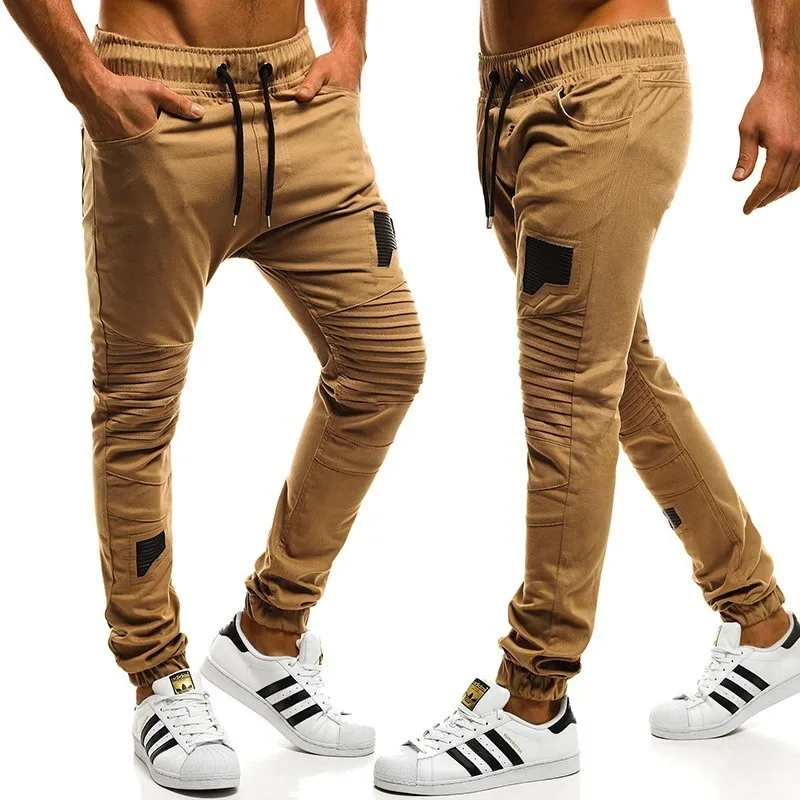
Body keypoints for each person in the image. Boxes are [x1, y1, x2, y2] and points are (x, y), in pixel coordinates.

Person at [375, 0, 800, 794]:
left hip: (600, 91)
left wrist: (784, 74)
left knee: (567, 393)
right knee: (620, 380)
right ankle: (762, 623)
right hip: (510, 92)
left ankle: (534, 700)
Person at [4, 0, 426, 791]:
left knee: (385, 361)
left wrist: (350, 42)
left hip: (301, 101)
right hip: (159, 105)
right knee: (138, 406)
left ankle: (269, 632)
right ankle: (157, 675)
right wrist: (87, 83)